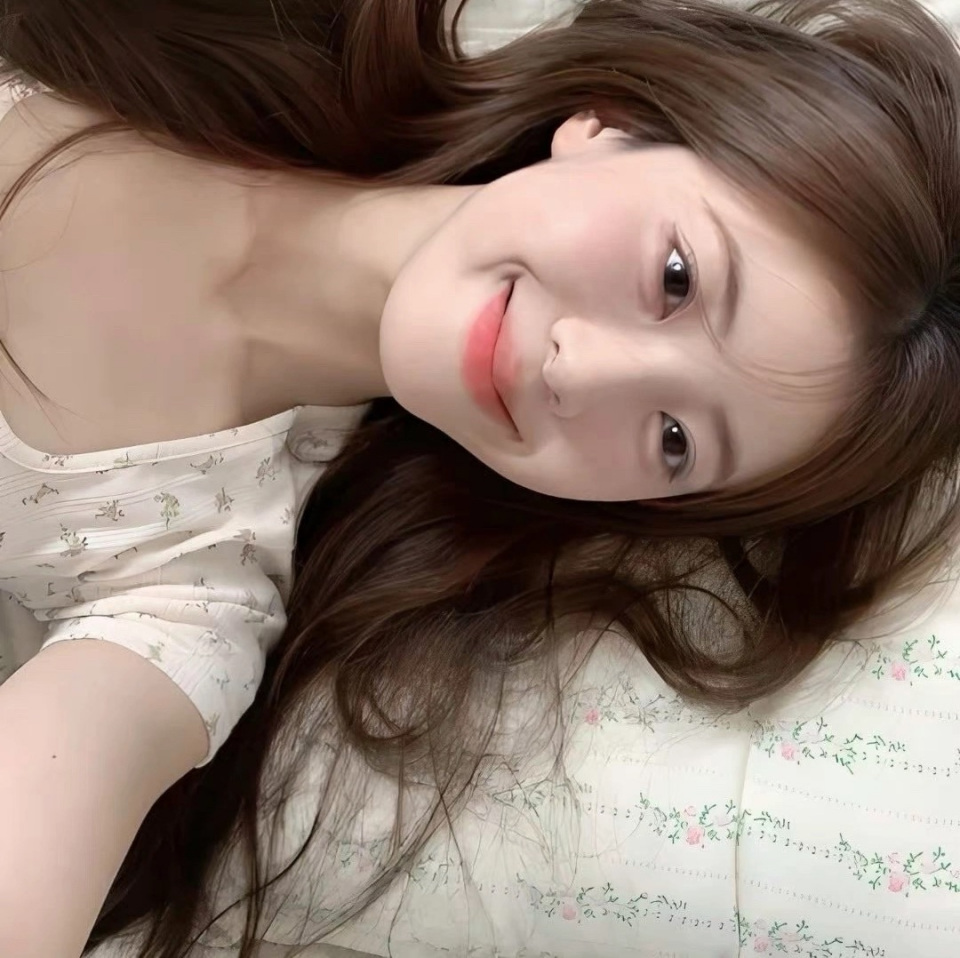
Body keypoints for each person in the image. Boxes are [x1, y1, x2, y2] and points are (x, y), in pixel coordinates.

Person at [0, 0, 959, 955]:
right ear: (611, 121)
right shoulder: (261, 25)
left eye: (674, 440)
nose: (581, 372)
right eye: (676, 278)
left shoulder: (181, 602)